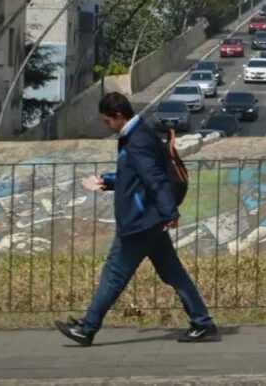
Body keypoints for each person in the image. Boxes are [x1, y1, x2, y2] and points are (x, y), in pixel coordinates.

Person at [55, 93, 218, 346]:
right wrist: (107, 182)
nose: (106, 126)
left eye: (107, 121)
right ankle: (202, 322)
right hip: (149, 219)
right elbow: (135, 177)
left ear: (119, 117)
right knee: (173, 273)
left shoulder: (137, 140)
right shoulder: (137, 134)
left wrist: (170, 213)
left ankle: (87, 328)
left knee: (114, 273)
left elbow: (154, 179)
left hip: (140, 221)